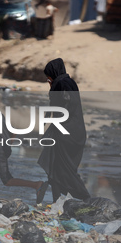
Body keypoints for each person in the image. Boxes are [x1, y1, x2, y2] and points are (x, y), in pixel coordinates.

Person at [0, 90, 44, 201]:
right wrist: (8, 143)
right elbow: (12, 130)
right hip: (4, 148)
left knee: (7, 180)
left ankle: (36, 185)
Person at [36, 58, 90, 204]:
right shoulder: (69, 82)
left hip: (66, 134)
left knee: (62, 170)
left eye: (49, 77)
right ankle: (59, 204)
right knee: (61, 168)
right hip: (76, 133)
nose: (48, 81)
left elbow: (66, 104)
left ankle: (85, 198)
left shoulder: (61, 84)